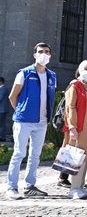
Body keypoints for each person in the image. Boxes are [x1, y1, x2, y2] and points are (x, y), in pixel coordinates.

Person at [5, 43, 56, 199]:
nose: (44, 54)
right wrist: (21, 112)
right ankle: (11, 187)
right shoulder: (25, 73)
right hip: (24, 121)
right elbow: (13, 96)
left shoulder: (52, 75)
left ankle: (30, 185)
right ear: (35, 55)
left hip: (42, 121)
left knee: (35, 155)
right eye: (41, 52)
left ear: (50, 55)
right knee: (19, 153)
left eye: (47, 52)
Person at [61, 60, 87, 199]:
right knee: (77, 157)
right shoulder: (75, 85)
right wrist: (72, 127)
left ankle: (81, 186)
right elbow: (70, 107)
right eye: (86, 68)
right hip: (80, 127)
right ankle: (74, 188)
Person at [0, 77, 10, 142]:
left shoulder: (3, 88)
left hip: (2, 109)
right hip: (2, 109)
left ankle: (2, 137)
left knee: (1, 124)